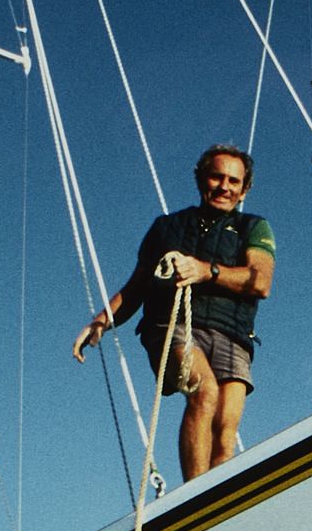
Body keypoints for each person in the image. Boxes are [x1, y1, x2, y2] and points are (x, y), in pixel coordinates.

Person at [73, 145, 275, 480]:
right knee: (204, 391)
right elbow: (136, 287)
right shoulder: (166, 229)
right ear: (201, 179)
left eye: (233, 181)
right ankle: (195, 496)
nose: (224, 186)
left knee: (225, 438)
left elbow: (261, 280)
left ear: (244, 189)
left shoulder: (253, 228)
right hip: (173, 324)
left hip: (233, 334)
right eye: (216, 176)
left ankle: (215, 515)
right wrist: (101, 321)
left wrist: (205, 270)